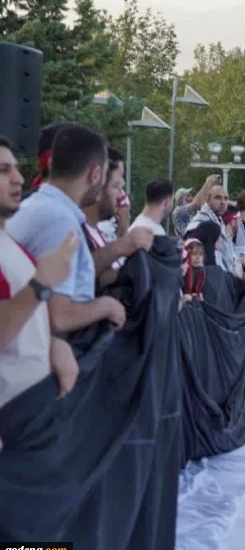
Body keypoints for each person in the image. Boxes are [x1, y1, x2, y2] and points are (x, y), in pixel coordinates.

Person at [6, 125, 126, 333]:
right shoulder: (58, 221)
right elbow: (58, 318)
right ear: (95, 174)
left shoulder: (44, 208)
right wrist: (106, 306)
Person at [0, 135, 82, 409]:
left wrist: (54, 343)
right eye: (4, 170)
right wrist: (40, 283)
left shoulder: (11, 246)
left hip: (32, 409)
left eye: (15, 168)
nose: (19, 179)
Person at [82, 151, 154, 287]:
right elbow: (76, 276)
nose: (121, 196)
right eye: (116, 186)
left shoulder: (94, 230)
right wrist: (123, 245)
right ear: (97, 186)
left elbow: (101, 279)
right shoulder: (72, 229)